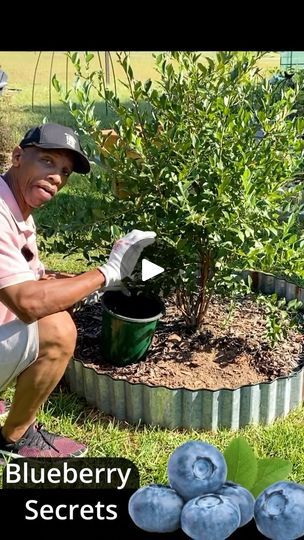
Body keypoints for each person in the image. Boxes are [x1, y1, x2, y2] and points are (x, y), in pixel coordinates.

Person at [0, 122, 156, 458]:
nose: (57, 176)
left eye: (65, 171)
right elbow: (27, 302)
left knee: (58, 303)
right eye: (47, 161)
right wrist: (107, 273)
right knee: (56, 328)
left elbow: (33, 281)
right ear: (17, 156)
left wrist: (82, 283)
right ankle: (15, 437)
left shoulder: (17, 212)